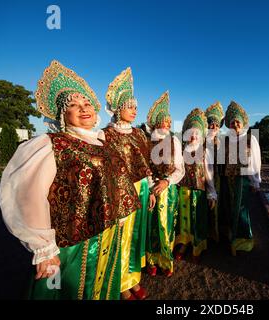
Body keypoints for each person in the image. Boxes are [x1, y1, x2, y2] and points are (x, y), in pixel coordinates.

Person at [0, 60, 140, 299]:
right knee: (64, 290)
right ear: (63, 115)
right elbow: (27, 196)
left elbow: (118, 183)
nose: (84, 108)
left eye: (86, 103)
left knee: (102, 286)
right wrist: (43, 248)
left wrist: (121, 213)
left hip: (106, 234)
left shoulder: (103, 144)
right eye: (74, 105)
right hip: (70, 243)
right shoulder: (50, 144)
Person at [103, 67, 156, 300]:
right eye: (130, 107)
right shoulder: (105, 135)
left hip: (141, 189)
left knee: (136, 234)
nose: (134, 110)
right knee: (120, 237)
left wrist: (152, 188)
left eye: (136, 107)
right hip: (118, 193)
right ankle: (120, 283)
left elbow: (145, 164)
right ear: (117, 109)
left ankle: (133, 278)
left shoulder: (139, 134)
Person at [143, 91, 184, 277]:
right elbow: (144, 168)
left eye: (169, 122)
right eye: (163, 122)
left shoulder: (174, 140)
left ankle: (166, 260)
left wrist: (167, 182)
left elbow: (180, 169)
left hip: (168, 190)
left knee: (166, 226)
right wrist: (152, 186)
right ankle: (151, 260)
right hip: (151, 189)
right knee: (151, 226)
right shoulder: (147, 141)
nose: (166, 125)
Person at [175, 108, 216, 262]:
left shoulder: (205, 151)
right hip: (183, 190)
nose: (193, 135)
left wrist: (212, 193)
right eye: (191, 132)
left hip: (199, 191)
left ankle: (197, 246)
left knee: (197, 218)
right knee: (184, 219)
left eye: (197, 133)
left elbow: (209, 174)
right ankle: (184, 243)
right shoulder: (181, 151)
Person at [220, 101, 261, 256]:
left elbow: (255, 162)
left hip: (243, 180)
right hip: (228, 179)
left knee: (241, 208)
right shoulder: (227, 140)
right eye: (232, 122)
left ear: (243, 123)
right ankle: (233, 235)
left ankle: (244, 239)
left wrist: (255, 181)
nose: (235, 124)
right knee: (230, 206)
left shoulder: (250, 139)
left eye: (238, 121)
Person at [204, 101, 224, 243]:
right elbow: (207, 166)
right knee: (210, 206)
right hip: (208, 178)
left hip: (220, 177)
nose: (214, 127)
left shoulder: (220, 141)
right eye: (211, 124)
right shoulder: (204, 143)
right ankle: (210, 235)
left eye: (217, 125)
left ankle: (218, 233)